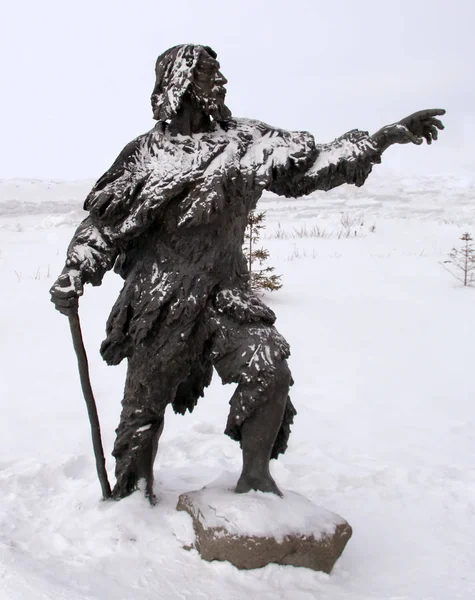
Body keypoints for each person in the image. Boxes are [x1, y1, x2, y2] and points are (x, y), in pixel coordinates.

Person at [50, 44, 445, 503]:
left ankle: (256, 479)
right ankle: (133, 494)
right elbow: (104, 221)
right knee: (143, 405)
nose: (218, 83)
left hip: (226, 293)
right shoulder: (146, 153)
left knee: (268, 367)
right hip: (162, 299)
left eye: (218, 74)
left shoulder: (248, 140)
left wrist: (382, 138)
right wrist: (76, 269)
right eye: (206, 75)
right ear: (177, 83)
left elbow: (311, 168)